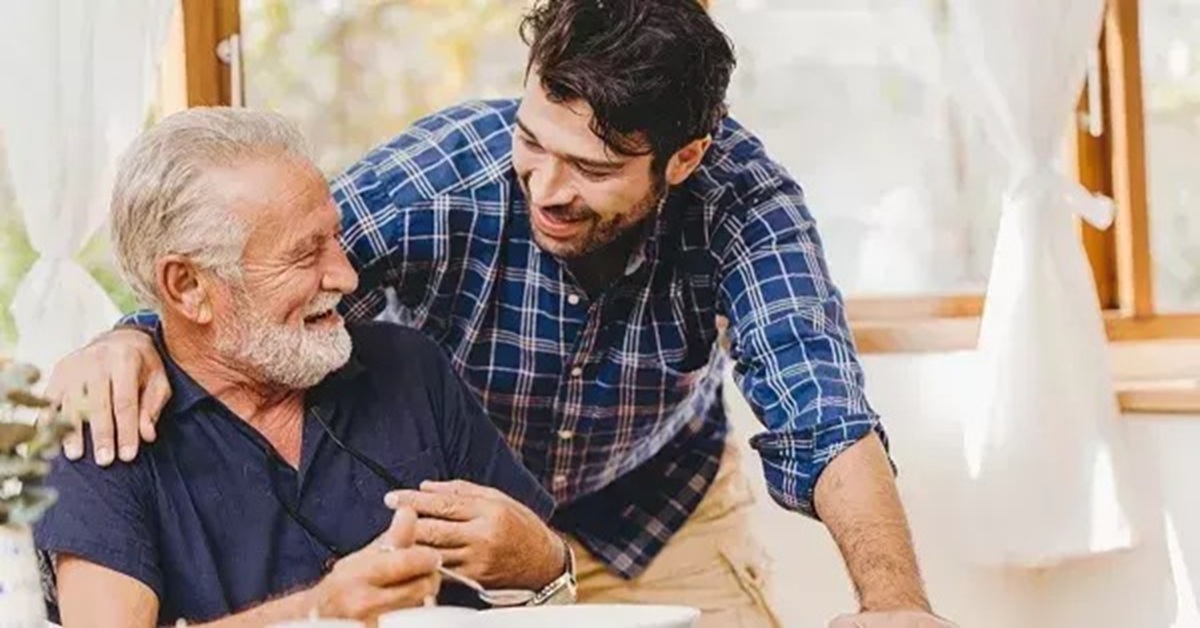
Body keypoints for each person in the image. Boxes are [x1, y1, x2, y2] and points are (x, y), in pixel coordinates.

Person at [46, 1, 956, 626]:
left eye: (594, 171)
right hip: (460, 539)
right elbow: (246, 276)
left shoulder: (743, 209)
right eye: (533, 141)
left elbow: (824, 412)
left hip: (658, 507)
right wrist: (129, 336)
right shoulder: (443, 175)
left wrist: (894, 600)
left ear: (682, 161)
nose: (547, 189)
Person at [33, 108, 575, 627]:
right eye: (304, 255)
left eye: (335, 238)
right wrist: (320, 615)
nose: (346, 277)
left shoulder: (411, 368)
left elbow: (546, 581)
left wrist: (546, 561)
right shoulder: (101, 426)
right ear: (188, 286)